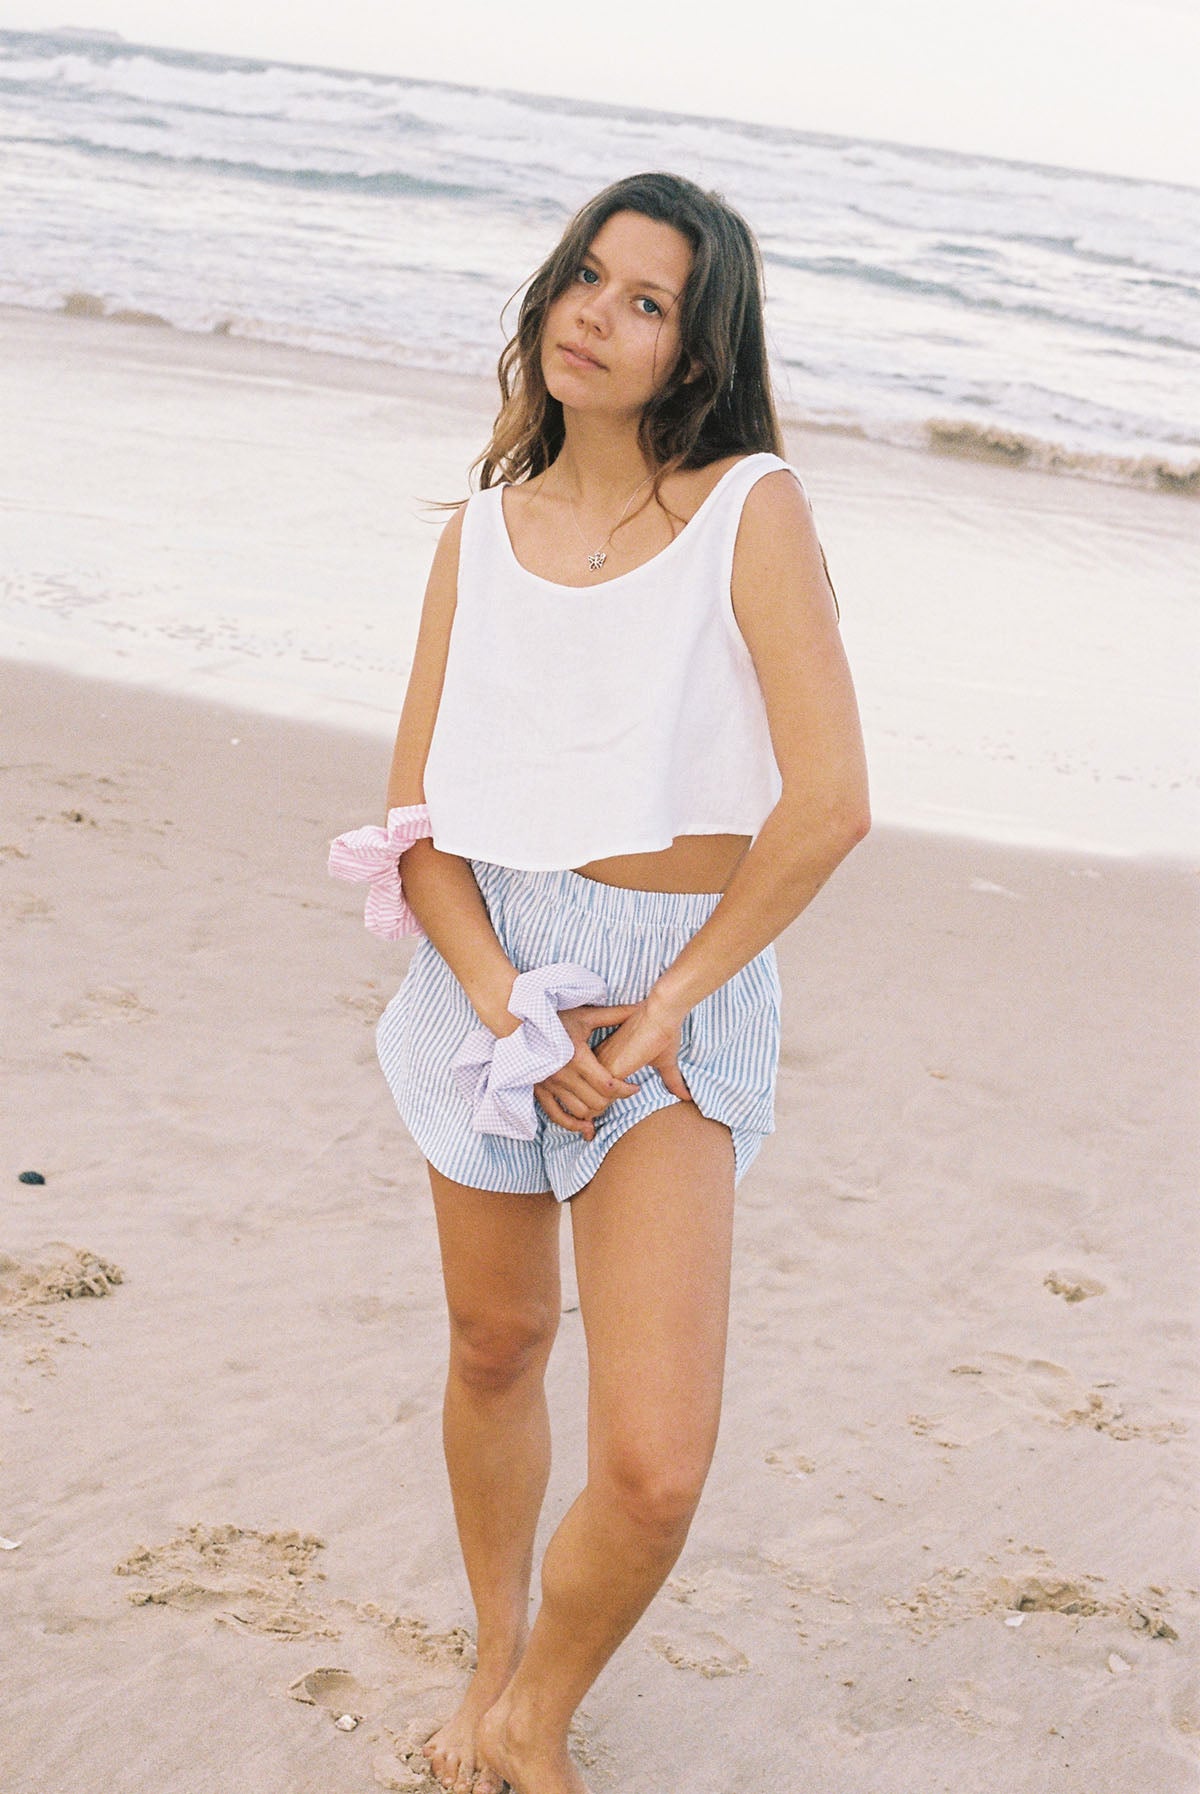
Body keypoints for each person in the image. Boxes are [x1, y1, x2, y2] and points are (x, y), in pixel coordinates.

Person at [329, 170, 869, 1794]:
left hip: (671, 991)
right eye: (587, 275)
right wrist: (508, 1001)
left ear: (696, 348)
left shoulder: (748, 511)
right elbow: (415, 828)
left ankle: (537, 1713)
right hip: (492, 970)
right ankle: (494, 1646)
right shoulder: (480, 537)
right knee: (497, 1342)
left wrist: (674, 996)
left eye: (646, 300)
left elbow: (828, 803)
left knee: (654, 1461)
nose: (596, 312)